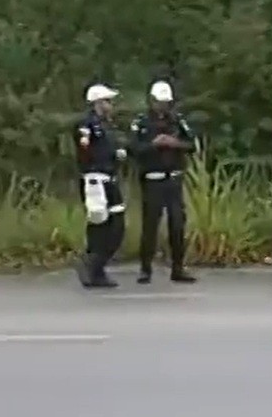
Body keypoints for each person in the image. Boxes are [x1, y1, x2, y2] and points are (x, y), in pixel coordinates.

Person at [129, 80, 197, 284]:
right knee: (150, 226)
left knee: (177, 225)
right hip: (153, 180)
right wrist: (154, 145)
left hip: (174, 179)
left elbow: (192, 144)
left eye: (166, 103)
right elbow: (133, 149)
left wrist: (175, 143)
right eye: (159, 102)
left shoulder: (177, 121)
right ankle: (145, 269)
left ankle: (178, 268)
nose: (163, 106)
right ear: (151, 101)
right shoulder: (141, 123)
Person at [73, 83, 128, 288]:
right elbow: (84, 150)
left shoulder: (108, 126)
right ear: (97, 102)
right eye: (107, 101)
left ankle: (94, 264)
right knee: (100, 225)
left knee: (116, 227)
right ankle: (93, 268)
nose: (110, 105)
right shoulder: (87, 125)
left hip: (110, 178)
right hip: (95, 179)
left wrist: (116, 154)